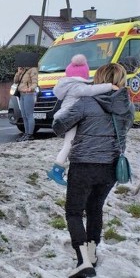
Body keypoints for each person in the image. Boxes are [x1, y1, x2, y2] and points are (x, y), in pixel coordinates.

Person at [52, 62, 134, 278]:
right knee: (95, 208)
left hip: (84, 165)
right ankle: (92, 252)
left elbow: (59, 126)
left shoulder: (86, 103)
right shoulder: (128, 106)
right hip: (111, 167)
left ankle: (82, 261)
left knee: (74, 212)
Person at [47, 54, 117, 186]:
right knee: (68, 144)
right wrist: (109, 86)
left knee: (70, 144)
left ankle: (58, 170)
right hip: (70, 117)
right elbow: (91, 90)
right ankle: (56, 171)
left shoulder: (69, 85)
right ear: (83, 74)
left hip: (68, 116)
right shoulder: (77, 87)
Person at [13, 52, 40, 141]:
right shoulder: (23, 70)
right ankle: (26, 133)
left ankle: (30, 134)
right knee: (24, 115)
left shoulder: (33, 70)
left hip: (28, 94)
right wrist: (18, 72)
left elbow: (35, 82)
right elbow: (16, 81)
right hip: (21, 94)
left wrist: (30, 89)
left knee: (29, 115)